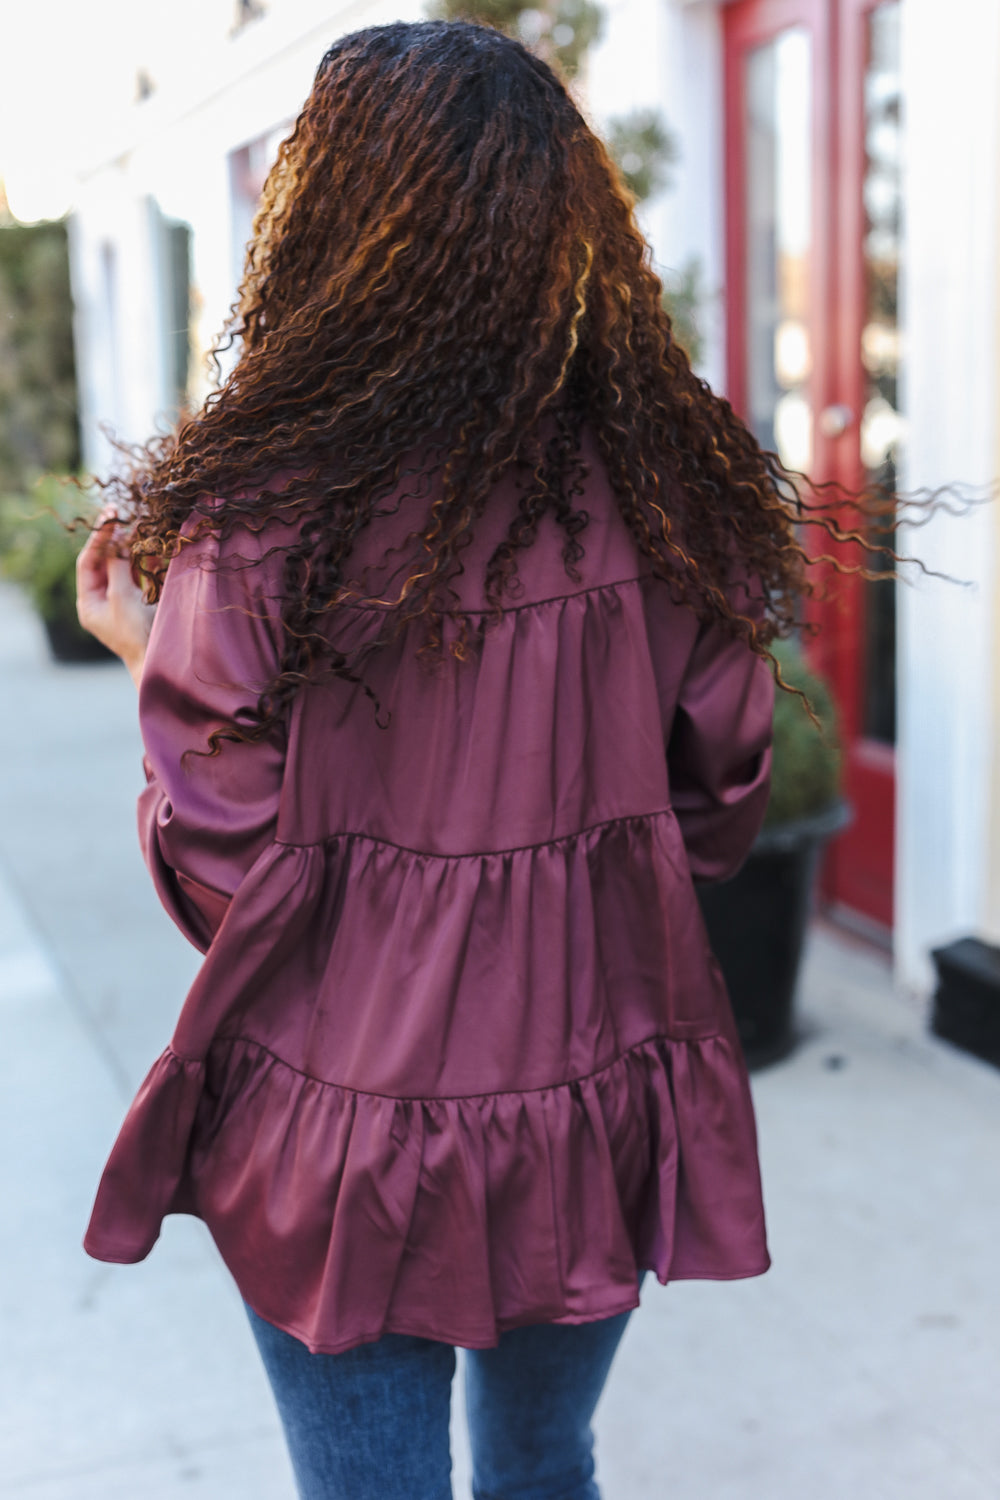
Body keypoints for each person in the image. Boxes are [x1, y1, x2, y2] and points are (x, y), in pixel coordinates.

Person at [76, 20, 815, 1498]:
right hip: (590, 1100)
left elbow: (233, 871)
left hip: (341, 1136)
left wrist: (142, 651)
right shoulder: (665, 483)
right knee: (546, 1465)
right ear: (564, 225)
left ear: (332, 223)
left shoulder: (263, 503)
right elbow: (725, 799)